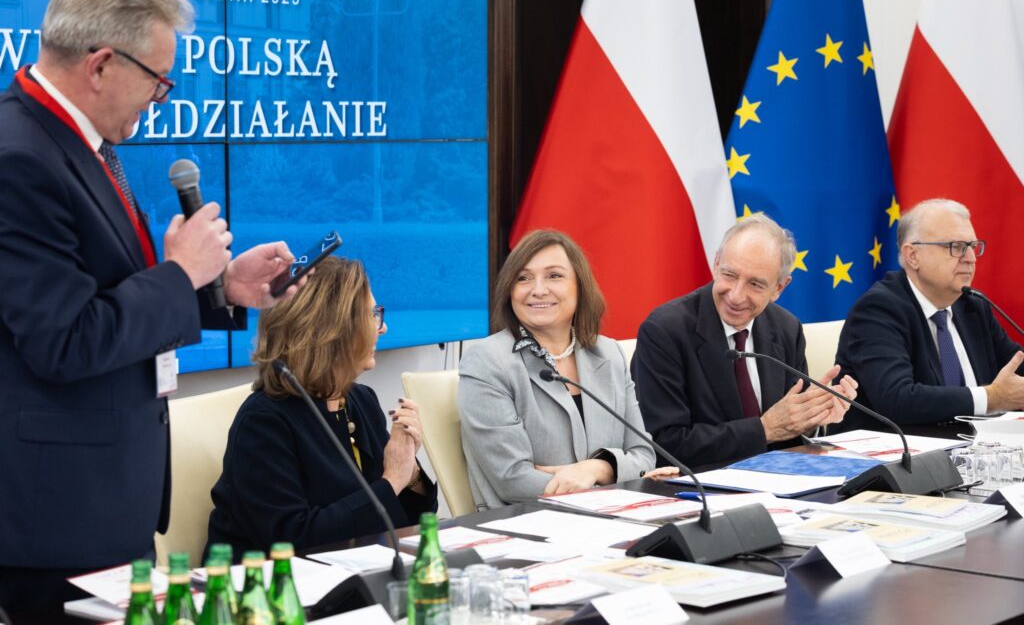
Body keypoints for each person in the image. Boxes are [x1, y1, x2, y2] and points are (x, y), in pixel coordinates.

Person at [0, 0, 301, 619]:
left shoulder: (79, 144)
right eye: (159, 80)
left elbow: (109, 294)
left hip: (106, 500)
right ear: (101, 64)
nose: (161, 98)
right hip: (58, 517)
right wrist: (178, 274)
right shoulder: (19, 156)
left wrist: (220, 288)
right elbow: (64, 340)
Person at [206, 256, 437, 558]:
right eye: (371, 316)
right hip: (267, 582)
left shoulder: (361, 400)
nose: (382, 328)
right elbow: (292, 539)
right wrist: (392, 480)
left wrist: (410, 471)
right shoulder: (264, 421)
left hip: (354, 568)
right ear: (333, 330)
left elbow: (409, 523)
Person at [458, 230, 666, 510]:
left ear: (580, 286)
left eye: (554, 276)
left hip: (613, 516)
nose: (538, 290)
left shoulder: (609, 353)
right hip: (528, 522)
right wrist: (614, 481)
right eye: (523, 278)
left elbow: (643, 455)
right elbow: (512, 479)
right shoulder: (487, 361)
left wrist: (596, 468)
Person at [632, 214, 858, 467]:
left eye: (755, 284)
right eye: (729, 274)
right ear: (716, 263)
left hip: (779, 478)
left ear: (779, 288)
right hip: (701, 482)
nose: (736, 296)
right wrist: (764, 429)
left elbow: (789, 432)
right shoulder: (665, 331)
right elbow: (664, 444)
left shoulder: (786, 328)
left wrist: (812, 417)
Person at [835, 198, 1024, 431]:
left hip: (977, 447)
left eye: (973, 246)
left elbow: (1016, 367)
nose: (970, 258)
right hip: (896, 450)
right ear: (913, 255)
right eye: (956, 246)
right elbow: (897, 399)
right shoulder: (878, 309)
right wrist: (991, 398)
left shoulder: (973, 306)